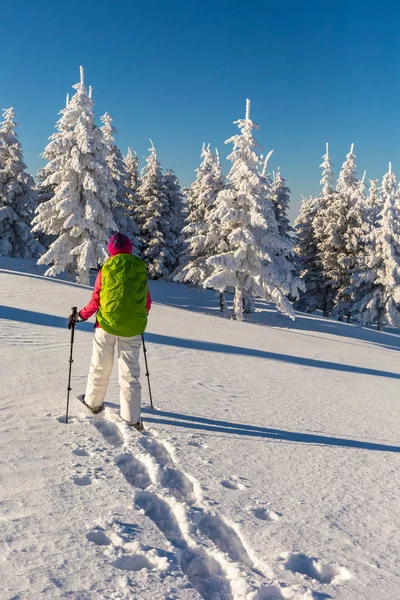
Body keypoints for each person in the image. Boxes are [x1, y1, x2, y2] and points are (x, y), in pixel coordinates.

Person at [68, 232, 152, 431]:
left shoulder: (106, 269)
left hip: (105, 327)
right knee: (130, 373)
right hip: (132, 329)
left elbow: (96, 300)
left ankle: (93, 403)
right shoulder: (140, 269)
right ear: (130, 249)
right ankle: (131, 418)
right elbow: (146, 302)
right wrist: (137, 318)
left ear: (111, 251)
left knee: (100, 366)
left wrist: (80, 316)